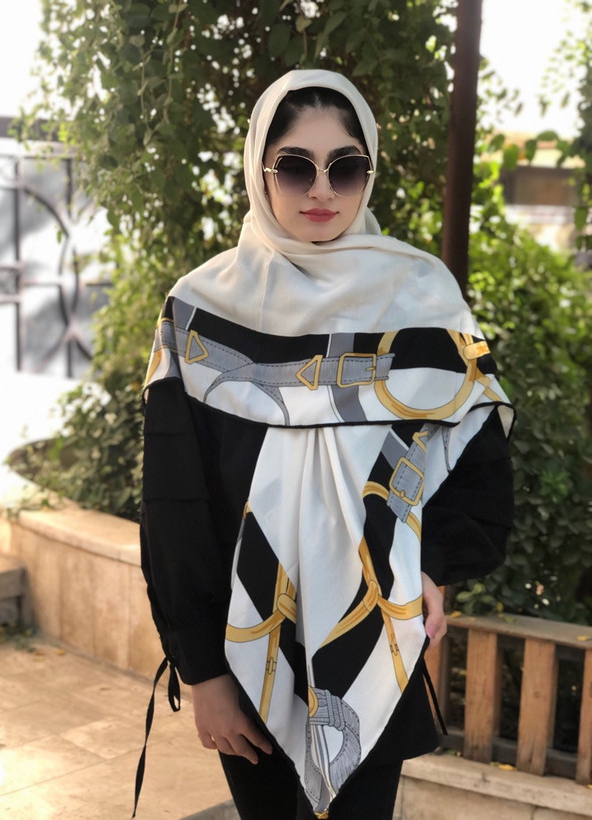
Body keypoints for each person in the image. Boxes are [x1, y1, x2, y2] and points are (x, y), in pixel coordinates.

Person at [137, 69, 514, 820]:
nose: (321, 190)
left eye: (345, 167)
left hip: (374, 638)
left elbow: (475, 459)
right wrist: (202, 671)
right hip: (246, 653)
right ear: (260, 170)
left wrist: (435, 567)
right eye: (295, 167)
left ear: (368, 172)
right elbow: (176, 507)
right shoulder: (200, 312)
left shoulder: (422, 299)